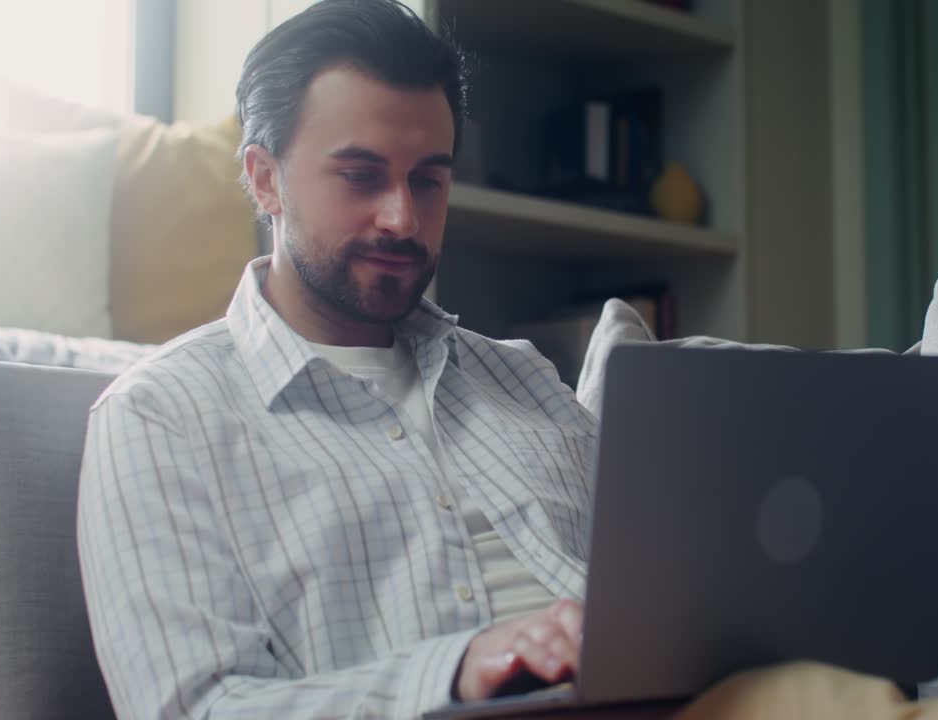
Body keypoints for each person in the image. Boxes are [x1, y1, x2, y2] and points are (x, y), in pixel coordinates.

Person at [77, 1, 594, 717]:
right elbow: (195, 708)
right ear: (264, 179)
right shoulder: (161, 418)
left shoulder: (523, 378)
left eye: (428, 180)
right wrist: (457, 673)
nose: (402, 219)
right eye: (359, 175)